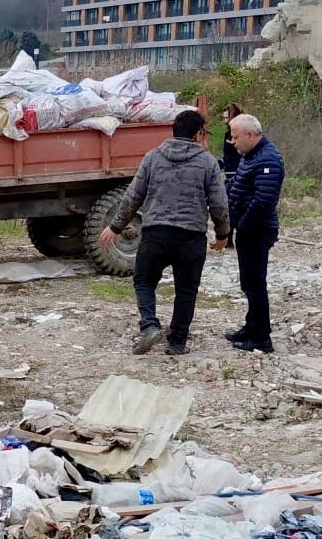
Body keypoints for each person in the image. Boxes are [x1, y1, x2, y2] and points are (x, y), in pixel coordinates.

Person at [98, 109, 231, 356]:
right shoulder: (207, 163)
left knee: (144, 281)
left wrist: (115, 227)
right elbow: (219, 204)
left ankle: (149, 325)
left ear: (173, 130)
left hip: (155, 233)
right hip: (191, 236)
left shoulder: (153, 158)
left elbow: (132, 196)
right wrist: (223, 235)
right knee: (186, 290)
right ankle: (177, 342)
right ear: (199, 134)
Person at [225, 113, 285, 354]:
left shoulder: (268, 159)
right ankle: (252, 327)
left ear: (250, 135)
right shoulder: (250, 155)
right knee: (248, 282)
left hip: (257, 230)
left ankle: (261, 338)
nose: (232, 141)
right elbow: (238, 186)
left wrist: (244, 225)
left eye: (235, 136)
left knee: (255, 284)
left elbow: (263, 201)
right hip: (248, 229)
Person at [220, 103, 244, 249]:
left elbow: (235, 156)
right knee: (230, 208)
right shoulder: (227, 134)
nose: (224, 121)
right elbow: (228, 157)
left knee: (232, 208)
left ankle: (230, 239)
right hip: (230, 174)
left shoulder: (234, 135)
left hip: (235, 175)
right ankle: (229, 239)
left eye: (226, 118)